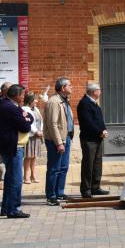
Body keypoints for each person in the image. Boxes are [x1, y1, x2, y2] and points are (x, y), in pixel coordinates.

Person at [0, 84, 33, 218]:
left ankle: (6, 208)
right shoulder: (10, 107)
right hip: (13, 147)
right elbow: (25, 126)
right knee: (16, 180)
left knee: (10, 178)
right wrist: (26, 119)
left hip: (12, 146)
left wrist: (26, 117)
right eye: (23, 94)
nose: (24, 97)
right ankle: (14, 209)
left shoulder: (11, 105)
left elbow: (30, 117)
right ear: (17, 95)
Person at [44, 77, 74, 206]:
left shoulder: (64, 100)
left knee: (63, 167)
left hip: (65, 137)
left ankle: (59, 192)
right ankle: (51, 196)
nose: (72, 87)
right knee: (54, 168)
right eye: (69, 85)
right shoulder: (54, 102)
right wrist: (59, 143)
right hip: (56, 140)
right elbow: (52, 124)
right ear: (63, 88)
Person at [76, 82, 109, 198]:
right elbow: (87, 122)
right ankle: (86, 189)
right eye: (99, 90)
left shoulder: (94, 103)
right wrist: (100, 131)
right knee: (88, 164)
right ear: (94, 91)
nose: (100, 92)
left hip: (97, 138)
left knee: (97, 164)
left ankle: (95, 187)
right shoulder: (85, 103)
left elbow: (99, 120)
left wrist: (103, 129)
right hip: (89, 139)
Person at [22, 92, 43, 184]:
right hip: (30, 136)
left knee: (34, 156)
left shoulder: (36, 109)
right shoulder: (24, 109)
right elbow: (27, 123)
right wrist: (35, 131)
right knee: (28, 156)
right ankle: (26, 176)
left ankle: (33, 175)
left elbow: (40, 121)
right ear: (30, 100)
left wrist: (41, 130)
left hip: (37, 136)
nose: (37, 101)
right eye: (35, 99)